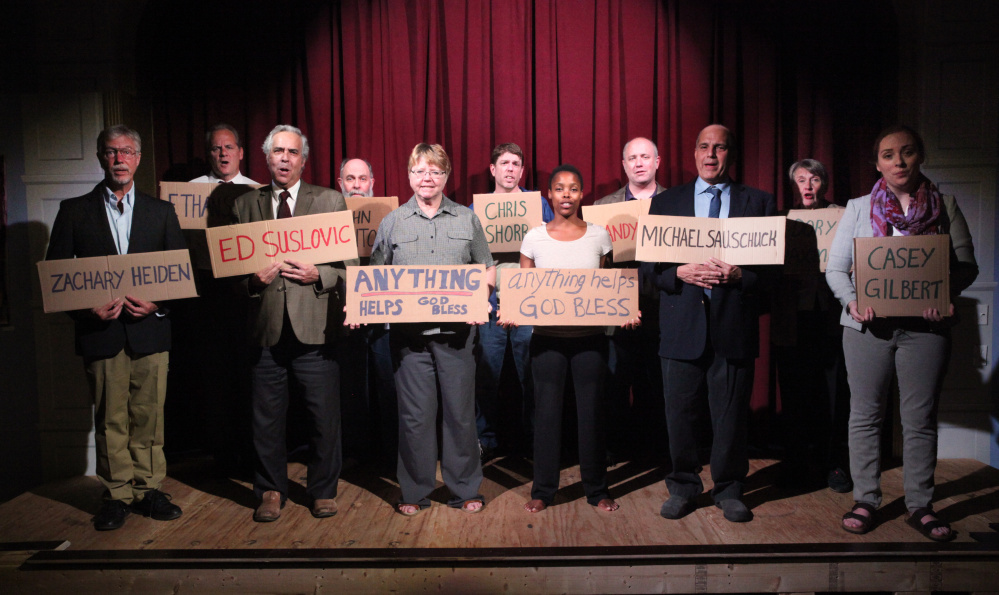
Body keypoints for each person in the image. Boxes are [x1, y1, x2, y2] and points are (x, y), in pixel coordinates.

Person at [826, 125, 978, 542]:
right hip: (867, 327)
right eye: (889, 155)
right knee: (866, 415)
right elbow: (836, 268)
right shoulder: (858, 208)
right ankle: (866, 498)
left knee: (919, 419)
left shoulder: (944, 205)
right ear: (878, 163)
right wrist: (851, 301)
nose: (899, 161)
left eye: (907, 152)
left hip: (925, 330)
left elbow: (966, 265)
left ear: (920, 155)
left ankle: (919, 505)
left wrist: (946, 293)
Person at [45, 125, 186, 531]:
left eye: (127, 152)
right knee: (110, 419)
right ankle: (118, 494)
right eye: (111, 152)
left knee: (149, 415)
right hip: (101, 333)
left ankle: (148, 489)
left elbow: (179, 272)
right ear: (100, 157)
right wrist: (88, 311)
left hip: (150, 330)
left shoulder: (161, 211)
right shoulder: (73, 210)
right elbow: (58, 279)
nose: (119, 159)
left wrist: (157, 301)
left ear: (138, 159)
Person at [644, 124, 777, 523]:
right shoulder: (667, 202)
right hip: (682, 327)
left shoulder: (759, 203)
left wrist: (741, 276)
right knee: (679, 415)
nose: (711, 154)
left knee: (731, 415)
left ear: (731, 154)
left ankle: (730, 489)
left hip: (732, 326)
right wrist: (678, 273)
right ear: (694, 152)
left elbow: (773, 273)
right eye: (704, 146)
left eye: (720, 148)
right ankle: (683, 486)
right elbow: (650, 268)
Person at [234, 125, 358, 522]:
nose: (284, 158)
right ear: (266, 158)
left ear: (303, 160)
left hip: (315, 327)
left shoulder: (330, 200)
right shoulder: (244, 206)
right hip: (266, 330)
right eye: (277, 152)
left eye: (292, 152)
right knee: (266, 419)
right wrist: (253, 281)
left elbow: (349, 269)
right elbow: (230, 274)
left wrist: (318, 274)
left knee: (324, 417)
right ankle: (270, 490)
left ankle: (323, 490)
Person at [369, 143, 496, 515]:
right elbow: (375, 276)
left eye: (436, 172)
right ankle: (414, 491)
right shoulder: (393, 222)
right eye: (421, 171)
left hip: (458, 336)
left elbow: (486, 266)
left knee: (460, 414)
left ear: (446, 176)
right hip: (409, 341)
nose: (428, 178)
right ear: (409, 175)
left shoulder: (466, 219)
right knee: (415, 416)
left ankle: (465, 489)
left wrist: (481, 297)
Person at [513, 164, 638, 513]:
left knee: (592, 416)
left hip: (590, 341)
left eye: (573, 188)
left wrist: (625, 308)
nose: (566, 194)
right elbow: (525, 290)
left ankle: (597, 489)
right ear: (549, 194)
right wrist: (512, 310)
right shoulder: (533, 237)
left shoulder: (599, 235)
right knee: (547, 417)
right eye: (559, 188)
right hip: (547, 341)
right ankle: (543, 490)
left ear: (582, 195)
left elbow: (611, 285)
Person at [772, 159, 852, 493]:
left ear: (824, 184)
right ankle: (794, 463)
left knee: (835, 394)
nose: (807, 186)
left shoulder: (842, 218)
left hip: (831, 317)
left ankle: (835, 464)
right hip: (792, 318)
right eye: (801, 180)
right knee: (794, 392)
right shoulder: (781, 222)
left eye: (814, 179)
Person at [474, 143, 553, 461]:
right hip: (491, 308)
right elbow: (470, 261)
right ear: (493, 169)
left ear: (522, 171)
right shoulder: (475, 210)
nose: (510, 168)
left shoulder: (539, 205)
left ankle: (536, 442)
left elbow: (552, 250)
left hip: (529, 307)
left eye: (516, 164)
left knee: (532, 377)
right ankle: (485, 441)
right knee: (486, 378)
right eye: (504, 163)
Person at [595, 137, 668, 462]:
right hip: (615, 313)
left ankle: (656, 451)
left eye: (645, 156)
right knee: (614, 384)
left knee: (657, 386)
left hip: (661, 310)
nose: (639, 163)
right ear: (624, 165)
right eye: (632, 158)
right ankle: (614, 450)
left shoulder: (675, 202)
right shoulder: (601, 207)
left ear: (657, 161)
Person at [336, 157, 398, 470]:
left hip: (383, 317)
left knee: (387, 385)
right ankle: (354, 452)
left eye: (362, 179)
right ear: (340, 184)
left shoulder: (389, 217)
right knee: (350, 387)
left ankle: (390, 455)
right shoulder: (328, 220)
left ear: (372, 182)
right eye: (350, 179)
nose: (357, 185)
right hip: (344, 318)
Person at [190, 123, 259, 184]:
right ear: (209, 155)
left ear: (240, 153)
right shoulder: (192, 187)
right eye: (216, 148)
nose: (223, 153)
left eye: (229, 147)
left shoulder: (257, 190)